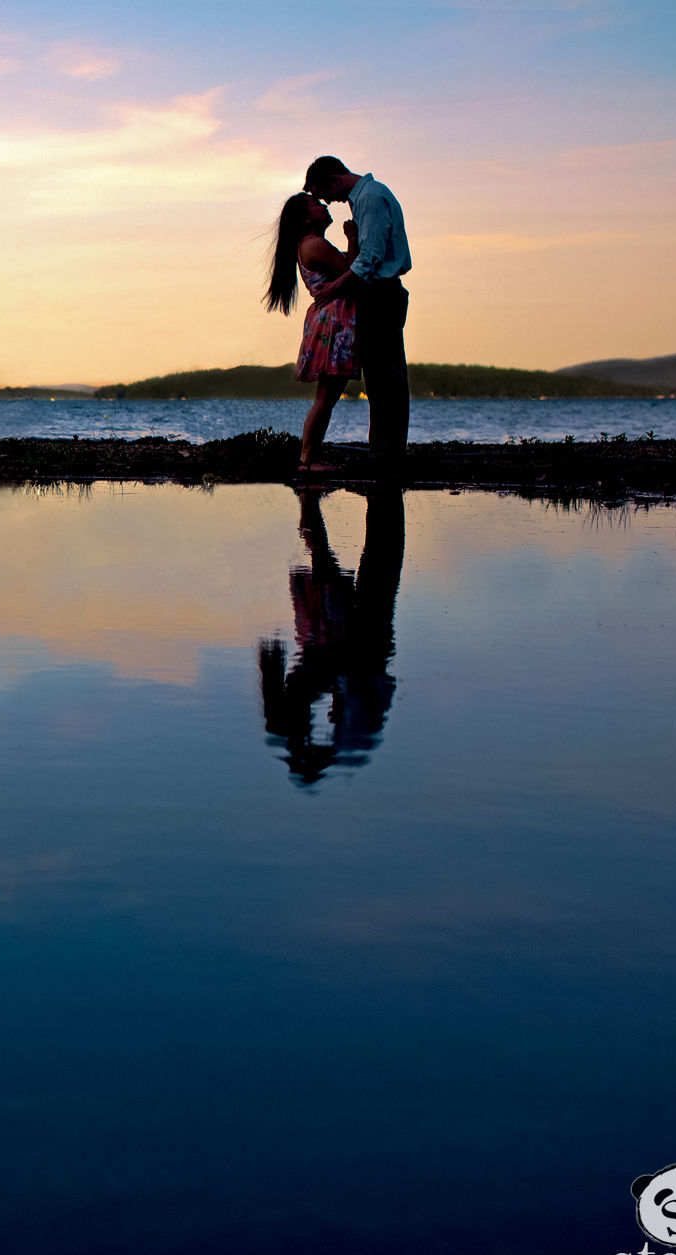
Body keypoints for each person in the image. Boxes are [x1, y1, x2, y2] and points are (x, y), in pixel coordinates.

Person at [257, 486, 405, 785]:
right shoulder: (352, 742)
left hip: (345, 645)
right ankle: (313, 514)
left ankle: (312, 514)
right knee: (375, 559)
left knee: (371, 560)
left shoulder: (349, 741)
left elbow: (367, 680)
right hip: (351, 646)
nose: (329, 717)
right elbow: (372, 681)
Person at [302, 156, 412, 462]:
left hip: (380, 292)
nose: (328, 202)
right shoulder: (366, 198)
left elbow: (368, 260)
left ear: (334, 179)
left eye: (325, 194)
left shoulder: (370, 198)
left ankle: (387, 453)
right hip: (376, 292)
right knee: (380, 379)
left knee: (386, 378)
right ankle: (385, 450)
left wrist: (333, 289)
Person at [264, 192, 358, 476]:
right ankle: (307, 461)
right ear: (305, 218)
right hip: (333, 323)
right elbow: (353, 270)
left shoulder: (310, 245)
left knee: (327, 396)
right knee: (326, 397)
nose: (324, 206)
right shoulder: (314, 245)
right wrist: (353, 238)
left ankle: (309, 459)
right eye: (317, 205)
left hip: (331, 320)